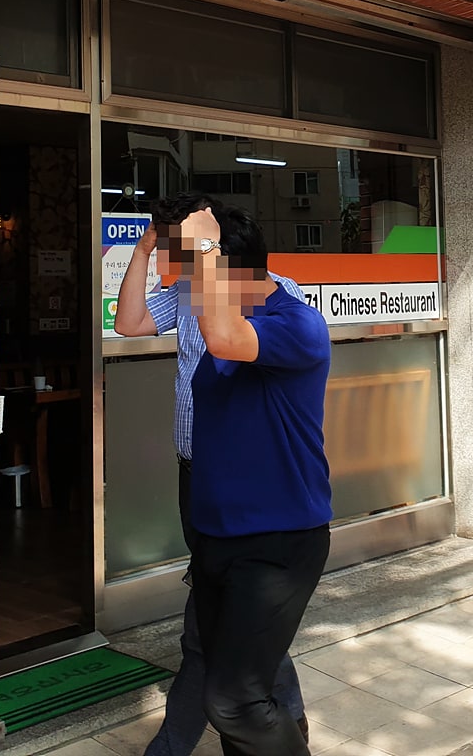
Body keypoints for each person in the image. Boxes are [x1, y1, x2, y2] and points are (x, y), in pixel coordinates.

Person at [114, 193, 314, 755]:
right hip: (198, 477)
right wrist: (144, 249)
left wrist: (201, 250)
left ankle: (249, 728)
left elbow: (227, 339)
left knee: (222, 626)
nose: (171, 265)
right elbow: (128, 323)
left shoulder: (281, 301)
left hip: (257, 495)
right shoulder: (188, 293)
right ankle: (281, 720)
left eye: (179, 251)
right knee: (232, 618)